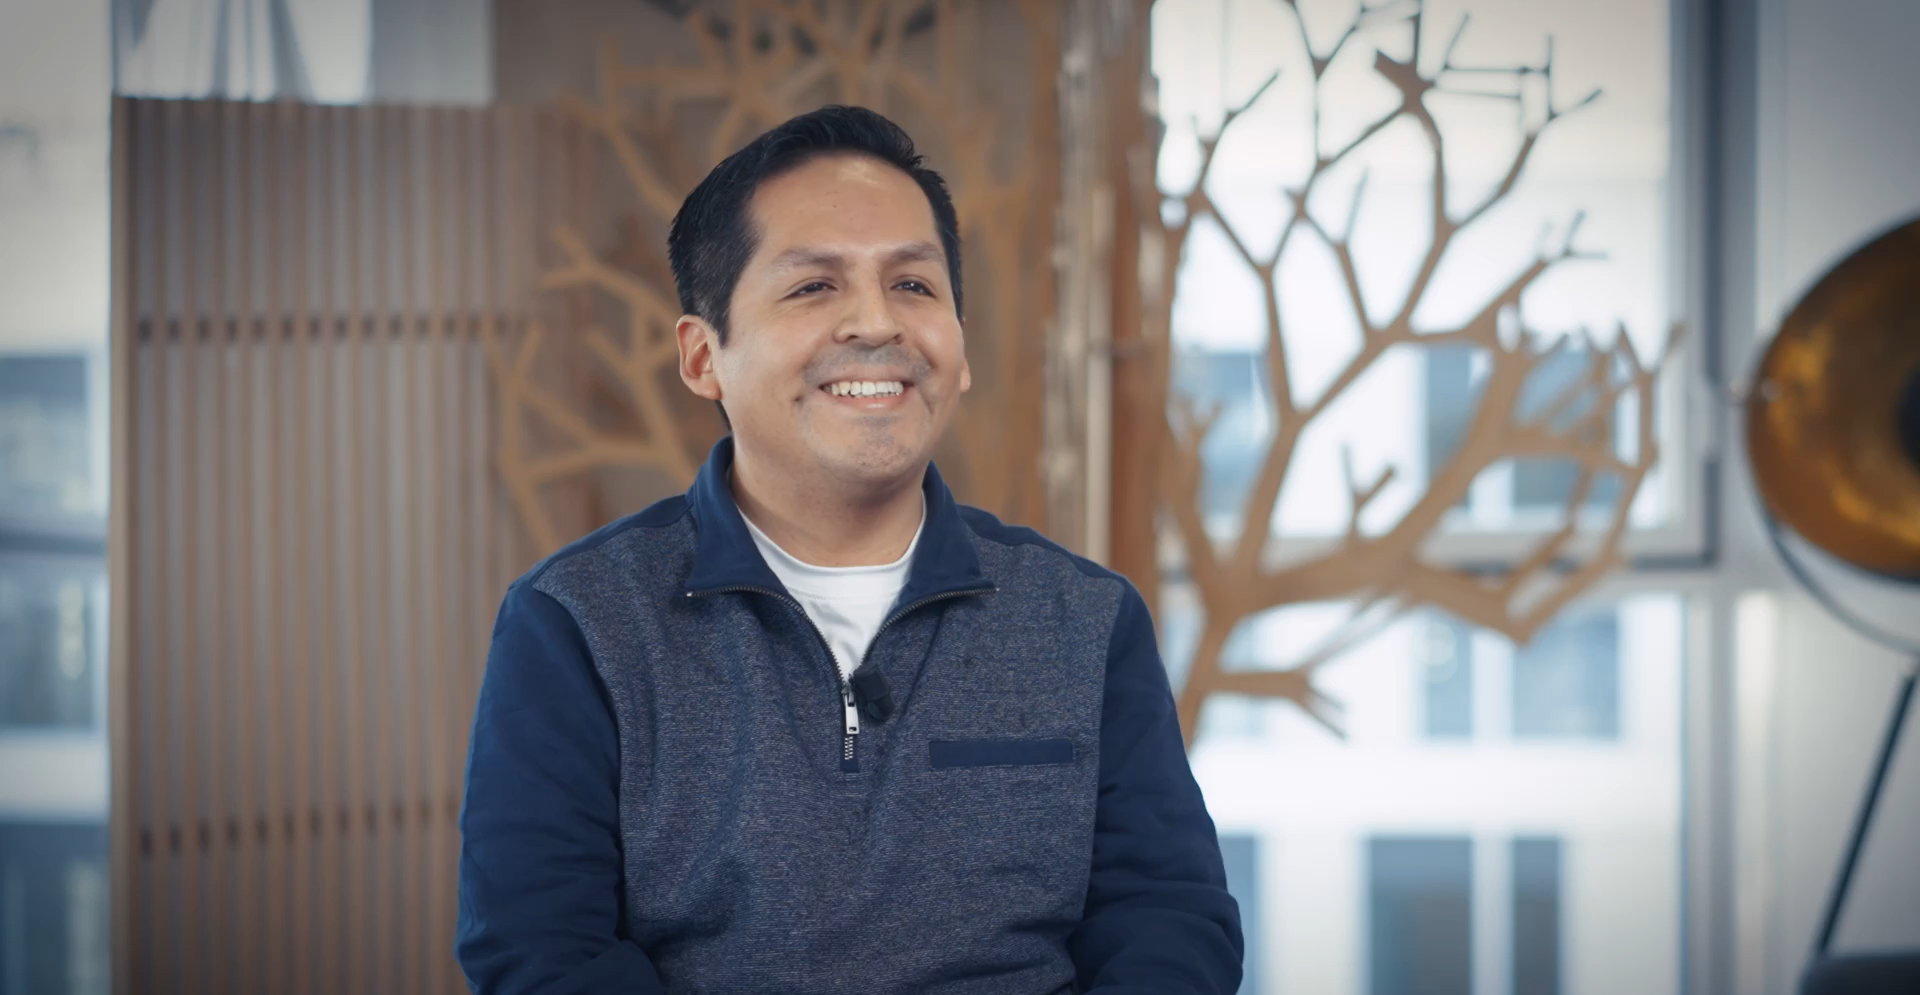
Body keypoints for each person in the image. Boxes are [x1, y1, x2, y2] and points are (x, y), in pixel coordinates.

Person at [455, 105, 1242, 995]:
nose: (878, 324)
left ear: (960, 341)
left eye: (914, 285)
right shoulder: (577, 623)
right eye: (813, 287)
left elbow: (1169, 918)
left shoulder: (1084, 619)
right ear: (703, 355)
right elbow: (543, 957)